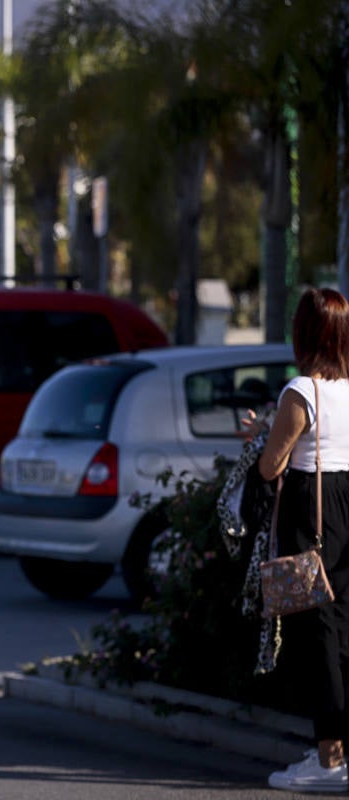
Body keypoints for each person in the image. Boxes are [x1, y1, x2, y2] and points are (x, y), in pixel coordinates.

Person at [257, 288, 349, 794]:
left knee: (319, 637)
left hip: (310, 514)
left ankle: (329, 761)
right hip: (346, 507)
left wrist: (260, 436)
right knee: (344, 630)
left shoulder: (301, 391)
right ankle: (338, 753)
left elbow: (272, 465)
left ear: (305, 333)